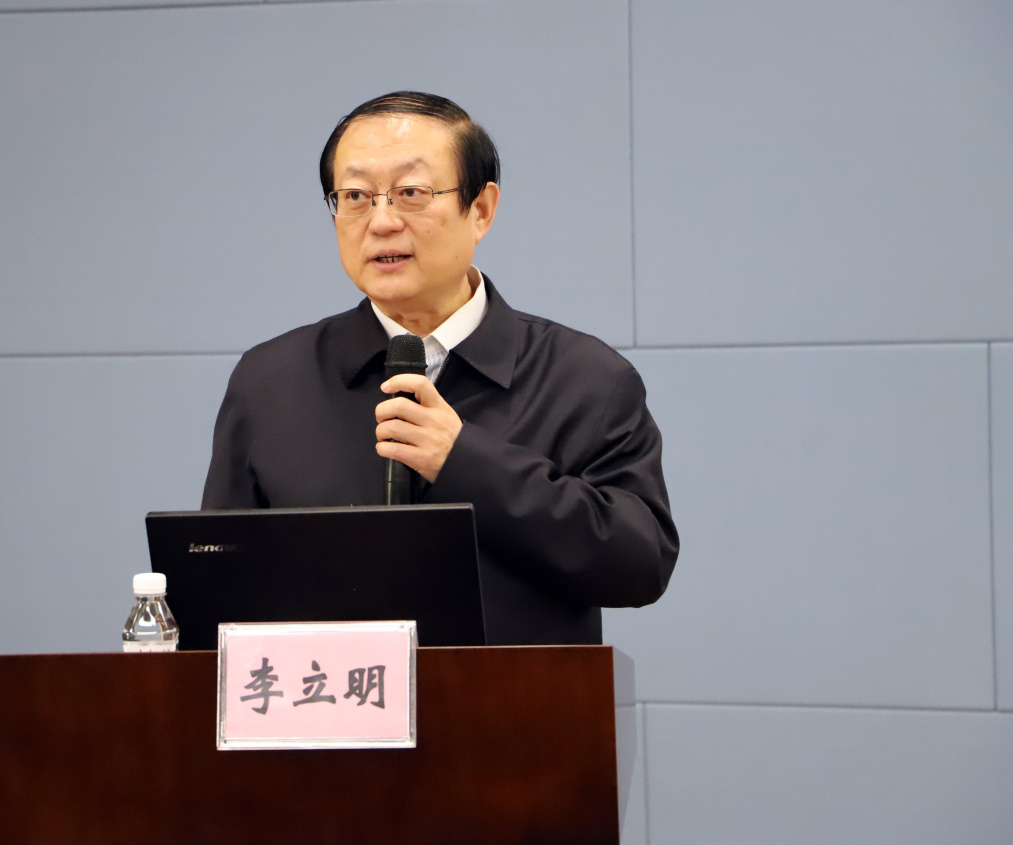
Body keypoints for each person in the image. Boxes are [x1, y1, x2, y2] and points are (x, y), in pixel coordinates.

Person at [202, 91, 678, 644]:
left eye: (411, 193)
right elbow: (218, 586)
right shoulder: (270, 382)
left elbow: (639, 564)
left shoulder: (585, 378)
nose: (381, 222)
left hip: (517, 699)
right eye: (355, 196)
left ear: (481, 209)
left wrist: (465, 460)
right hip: (326, 697)